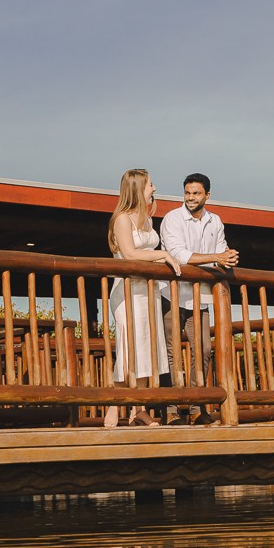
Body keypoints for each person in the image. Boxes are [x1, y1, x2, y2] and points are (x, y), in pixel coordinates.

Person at [105, 168, 181, 428]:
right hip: (127, 292)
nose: (154, 188)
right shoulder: (122, 219)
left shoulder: (147, 220)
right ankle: (115, 404)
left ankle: (139, 408)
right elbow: (128, 253)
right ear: (138, 188)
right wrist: (162, 256)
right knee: (129, 348)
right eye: (150, 184)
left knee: (147, 350)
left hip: (149, 291)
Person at [160, 172, 238, 420]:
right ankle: (171, 410)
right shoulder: (172, 218)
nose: (190, 197)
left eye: (196, 193)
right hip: (170, 294)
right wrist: (217, 258)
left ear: (207, 195)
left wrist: (229, 258)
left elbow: (220, 254)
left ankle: (197, 408)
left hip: (201, 298)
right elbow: (178, 254)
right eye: (187, 192)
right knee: (171, 353)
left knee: (203, 350)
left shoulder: (215, 221)